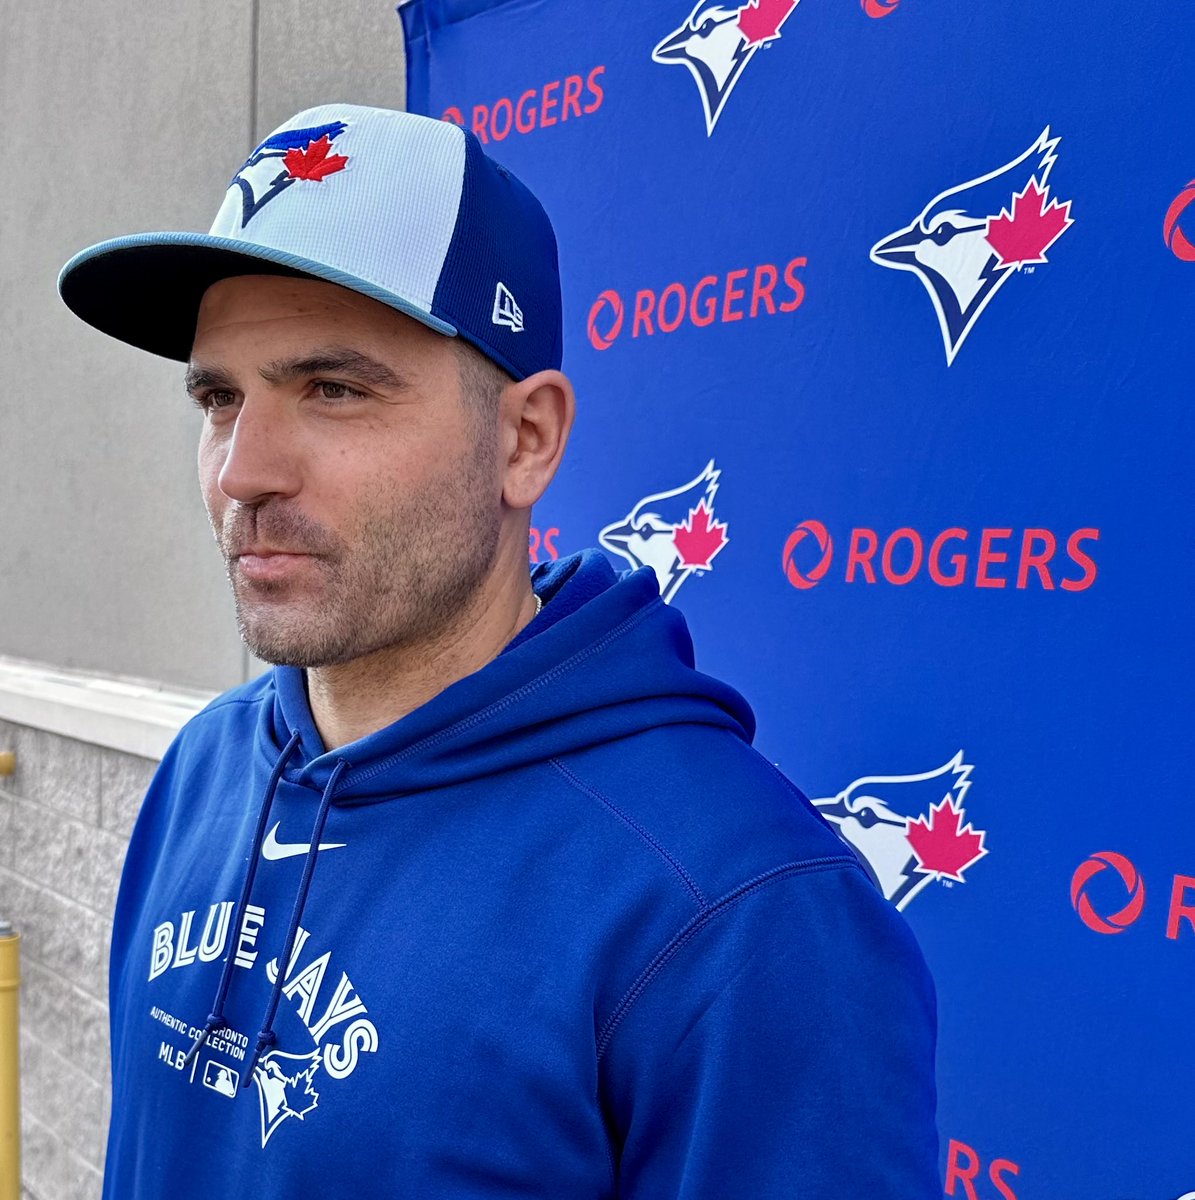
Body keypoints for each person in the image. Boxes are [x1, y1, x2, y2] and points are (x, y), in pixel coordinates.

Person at [59, 104, 939, 1198]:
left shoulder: (738, 909)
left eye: (334, 390)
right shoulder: (207, 765)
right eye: (218, 397)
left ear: (526, 440)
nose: (243, 471)